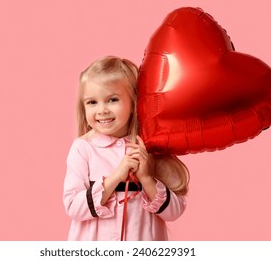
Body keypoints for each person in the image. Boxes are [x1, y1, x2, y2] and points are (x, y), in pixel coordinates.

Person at [63, 56, 189, 241]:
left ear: (133, 103)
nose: (102, 110)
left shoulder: (151, 146)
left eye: (112, 99)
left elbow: (174, 212)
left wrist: (146, 178)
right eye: (92, 102)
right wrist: (115, 177)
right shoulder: (83, 148)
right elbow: (73, 207)